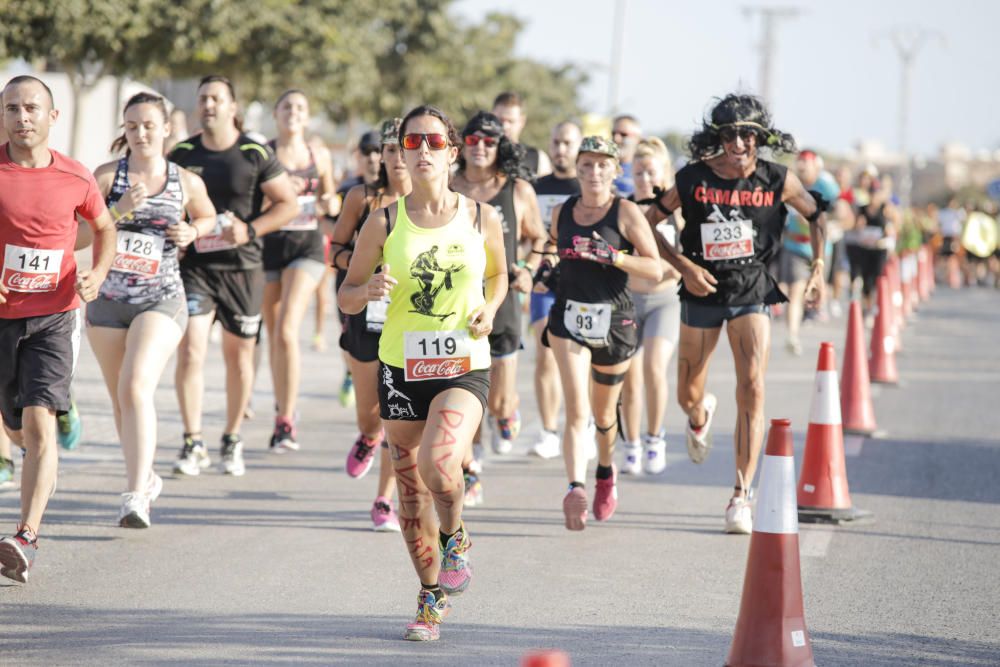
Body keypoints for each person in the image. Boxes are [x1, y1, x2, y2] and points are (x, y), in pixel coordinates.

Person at [338, 105, 507, 641]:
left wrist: (492, 308)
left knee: (440, 464)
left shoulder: (482, 217)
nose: (424, 151)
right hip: (401, 366)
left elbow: (500, 273)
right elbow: (346, 293)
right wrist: (365, 292)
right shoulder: (384, 221)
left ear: (453, 152)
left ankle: (456, 535)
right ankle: (430, 598)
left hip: (463, 363)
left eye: (434, 142)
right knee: (410, 493)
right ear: (402, 154)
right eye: (412, 143)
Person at [645, 93, 826, 534]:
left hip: (751, 289)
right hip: (701, 290)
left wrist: (818, 266)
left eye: (748, 135)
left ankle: (741, 494)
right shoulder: (691, 178)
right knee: (687, 392)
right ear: (718, 137)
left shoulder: (777, 180)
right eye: (730, 134)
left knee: (753, 386)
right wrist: (682, 265)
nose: (739, 143)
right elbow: (647, 221)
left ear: (760, 138)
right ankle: (699, 415)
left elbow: (818, 215)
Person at [0, 75, 116, 582]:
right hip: (2, 320)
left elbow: (106, 227)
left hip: (53, 314)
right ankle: (37, 420)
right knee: (17, 427)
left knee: (39, 423)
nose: (21, 117)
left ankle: (26, 535)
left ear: (52, 117)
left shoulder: (76, 176)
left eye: (30, 108)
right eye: (11, 109)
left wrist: (98, 272)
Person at [87, 92, 216, 527]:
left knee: (136, 383)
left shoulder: (185, 181)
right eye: (132, 125)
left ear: (166, 129)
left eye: (148, 125)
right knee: (121, 400)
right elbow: (75, 239)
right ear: (124, 130)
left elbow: (210, 217)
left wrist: (192, 229)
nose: (140, 133)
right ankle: (147, 476)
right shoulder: (106, 177)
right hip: (107, 300)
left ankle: (135, 495)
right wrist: (117, 212)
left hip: (161, 297)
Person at [169, 75, 299, 478]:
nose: (208, 104)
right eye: (203, 98)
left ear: (232, 106)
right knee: (190, 349)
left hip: (243, 268)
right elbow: (167, 202)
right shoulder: (182, 153)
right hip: (196, 268)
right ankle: (193, 441)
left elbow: (288, 205)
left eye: (216, 99)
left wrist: (251, 229)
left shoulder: (254, 152)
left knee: (238, 357)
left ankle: (231, 436)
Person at [540, 136, 662, 531]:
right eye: (587, 165)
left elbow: (655, 268)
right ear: (577, 169)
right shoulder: (561, 212)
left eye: (602, 165)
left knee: (604, 414)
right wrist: (542, 273)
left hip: (615, 322)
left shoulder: (624, 211)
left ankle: (605, 473)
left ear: (616, 170)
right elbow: (551, 253)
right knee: (576, 411)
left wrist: (616, 257)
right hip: (569, 318)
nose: (594, 173)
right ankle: (575, 487)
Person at [451, 111, 543, 467]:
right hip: (457, 298)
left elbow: (538, 239)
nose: (480, 147)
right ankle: (470, 464)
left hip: (501, 298)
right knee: (465, 389)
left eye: (489, 141)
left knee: (499, 399)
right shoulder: (450, 186)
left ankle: (507, 411)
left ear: (500, 146)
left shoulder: (517, 189)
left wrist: (529, 271)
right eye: (473, 139)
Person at [331, 118, 410, 531]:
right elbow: (336, 249)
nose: (397, 158)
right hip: (366, 314)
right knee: (371, 415)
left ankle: (384, 498)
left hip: (412, 319)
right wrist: (364, 268)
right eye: (390, 150)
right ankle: (366, 437)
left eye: (405, 148)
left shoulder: (434, 204)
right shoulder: (363, 198)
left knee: (398, 412)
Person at [262, 89, 336, 453]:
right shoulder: (264, 152)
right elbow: (252, 201)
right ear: (276, 114)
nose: (293, 112)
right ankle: (281, 403)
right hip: (268, 246)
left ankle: (286, 420)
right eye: (287, 107)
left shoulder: (318, 154)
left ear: (307, 117)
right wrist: (277, 194)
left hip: (306, 247)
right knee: (274, 334)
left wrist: (325, 201)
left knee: (289, 330)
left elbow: (332, 199)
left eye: (300, 108)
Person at [620, 137, 683, 475]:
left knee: (654, 368)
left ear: (664, 173)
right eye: (639, 171)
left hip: (665, 301)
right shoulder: (625, 208)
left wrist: (668, 268)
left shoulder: (677, 212)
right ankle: (630, 444)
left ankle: (655, 438)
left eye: (651, 171)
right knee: (630, 375)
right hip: (629, 300)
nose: (644, 178)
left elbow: (685, 262)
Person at [529, 120, 582, 459]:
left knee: (580, 359)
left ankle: (583, 423)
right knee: (545, 355)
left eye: (567, 143)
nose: (561, 149)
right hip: (544, 282)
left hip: (582, 283)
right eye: (556, 142)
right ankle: (549, 430)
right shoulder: (535, 187)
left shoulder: (588, 185)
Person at [332, 130, 383, 407]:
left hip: (393, 290)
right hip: (353, 279)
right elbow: (331, 230)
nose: (374, 158)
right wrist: (360, 258)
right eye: (368, 152)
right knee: (349, 333)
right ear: (359, 157)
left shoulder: (414, 197)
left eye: (379, 151)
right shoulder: (351, 192)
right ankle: (352, 372)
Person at [779, 150, 839, 355]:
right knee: (795, 290)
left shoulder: (826, 186)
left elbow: (841, 210)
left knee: (817, 290)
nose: (803, 167)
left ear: (816, 166)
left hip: (820, 249)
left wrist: (833, 221)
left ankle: (814, 313)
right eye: (800, 163)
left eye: (807, 163)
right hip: (795, 246)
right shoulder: (791, 183)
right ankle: (792, 335)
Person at [845, 181, 897, 312]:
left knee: (877, 276)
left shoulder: (886, 208)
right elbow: (854, 226)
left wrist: (890, 228)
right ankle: (867, 306)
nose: (874, 196)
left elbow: (895, 223)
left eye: (876, 193)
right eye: (872, 193)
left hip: (880, 248)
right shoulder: (862, 209)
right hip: (865, 248)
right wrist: (858, 225)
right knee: (866, 279)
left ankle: (877, 304)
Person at [492, 92, 552, 178]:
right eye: (500, 120)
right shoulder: (480, 154)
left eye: (510, 121)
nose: (505, 126)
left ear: (522, 121)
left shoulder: (538, 159)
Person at [611, 114, 642, 197]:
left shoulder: (646, 171)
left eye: (623, 134)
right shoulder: (600, 168)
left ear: (637, 138)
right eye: (613, 133)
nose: (616, 139)